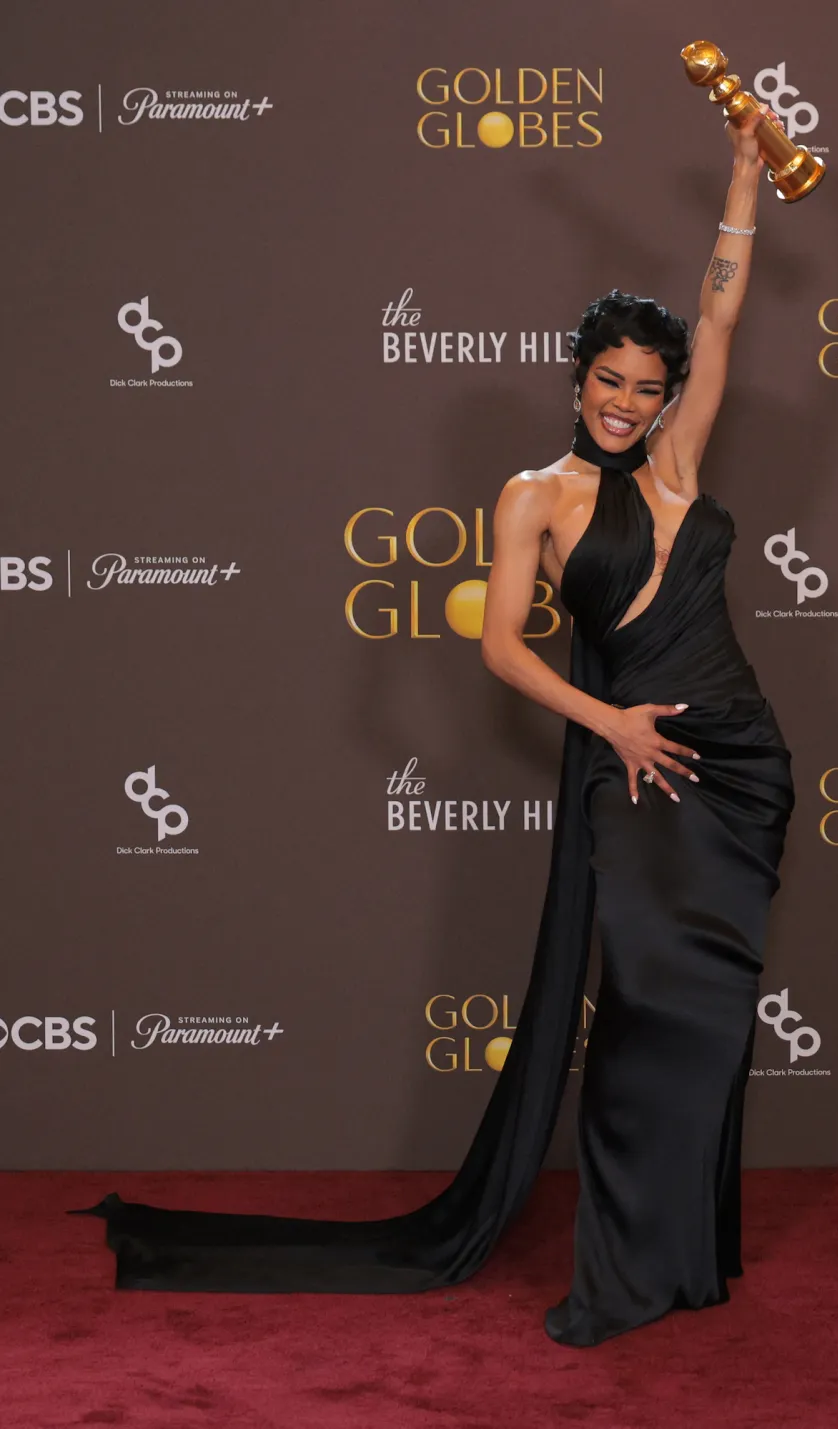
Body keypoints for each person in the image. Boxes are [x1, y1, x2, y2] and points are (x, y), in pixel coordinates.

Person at [75, 105, 794, 1349]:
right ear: (576, 381)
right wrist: (610, 724)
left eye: (648, 387)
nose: (628, 404)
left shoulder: (678, 467)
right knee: (639, 1020)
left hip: (738, 764)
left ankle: (686, 1260)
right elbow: (501, 647)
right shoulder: (537, 495)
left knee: (715, 1018)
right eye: (610, 384)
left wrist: (742, 173)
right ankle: (627, 1273)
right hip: (635, 764)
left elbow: (721, 310)